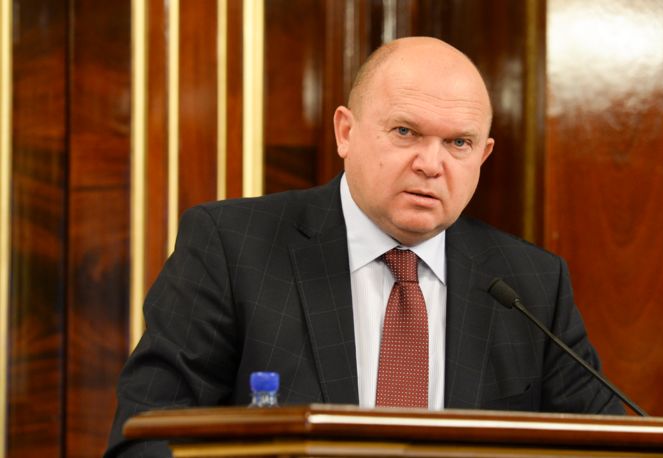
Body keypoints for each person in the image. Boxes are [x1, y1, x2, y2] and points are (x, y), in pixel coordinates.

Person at [105, 36, 623, 457]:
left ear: (483, 156)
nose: (431, 164)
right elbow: (146, 437)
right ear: (345, 132)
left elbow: (608, 446)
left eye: (458, 143)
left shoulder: (531, 284)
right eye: (406, 131)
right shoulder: (233, 247)